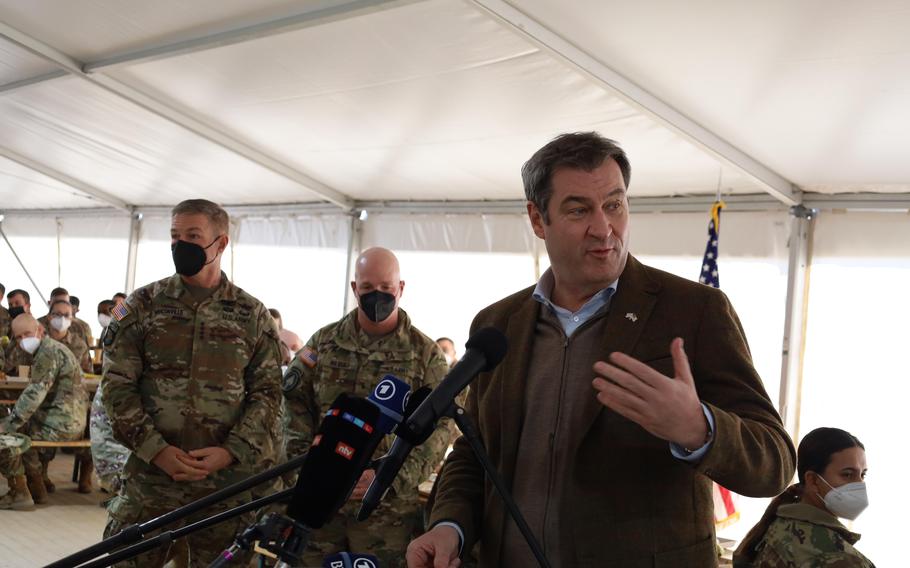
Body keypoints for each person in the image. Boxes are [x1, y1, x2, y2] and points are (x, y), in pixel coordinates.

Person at [408, 132, 796, 568]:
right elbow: (476, 452)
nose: (603, 227)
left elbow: (776, 460)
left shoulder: (695, 311)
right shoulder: (498, 324)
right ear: (538, 220)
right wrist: (450, 526)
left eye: (614, 204)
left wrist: (700, 430)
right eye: (579, 210)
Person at [101, 199, 284, 566]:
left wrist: (231, 451)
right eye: (174, 236)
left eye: (192, 235)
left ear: (220, 244)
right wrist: (157, 450)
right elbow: (117, 387)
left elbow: (268, 394)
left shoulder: (252, 314)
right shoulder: (141, 305)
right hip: (151, 482)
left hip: (222, 489)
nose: (179, 245)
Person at [283, 247, 451, 568]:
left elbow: (441, 428)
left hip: (384, 514)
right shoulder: (324, 343)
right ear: (354, 289)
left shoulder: (425, 355)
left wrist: (388, 478)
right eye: (368, 288)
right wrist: (308, 464)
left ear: (400, 289)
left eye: (386, 289)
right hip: (320, 503)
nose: (378, 296)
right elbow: (293, 406)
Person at [734, 427, 874, 567]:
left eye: (863, 475)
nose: (859, 485)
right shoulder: (842, 558)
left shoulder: (776, 525)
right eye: (847, 474)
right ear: (813, 480)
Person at [0, 313, 89, 509]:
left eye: (27, 334)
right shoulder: (53, 349)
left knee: (9, 436)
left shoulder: (48, 352)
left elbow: (35, 392)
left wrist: (9, 423)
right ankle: (36, 488)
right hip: (70, 420)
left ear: (40, 330)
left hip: (62, 423)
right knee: (19, 427)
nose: (24, 340)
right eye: (18, 337)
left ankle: (22, 491)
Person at [3, 289, 33, 375]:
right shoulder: (8, 328)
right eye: (10, 305)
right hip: (9, 379)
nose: (13, 307)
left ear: (28, 305)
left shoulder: (39, 329)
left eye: (17, 303)